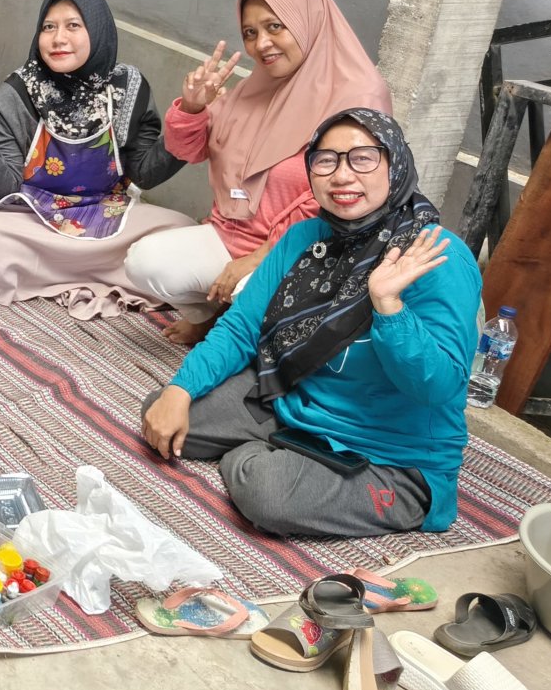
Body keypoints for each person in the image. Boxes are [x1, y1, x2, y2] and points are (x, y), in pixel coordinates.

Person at [140, 109, 478, 536]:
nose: (341, 175)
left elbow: (438, 387)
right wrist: (180, 388)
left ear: (395, 163)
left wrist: (389, 306)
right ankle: (286, 445)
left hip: (390, 454)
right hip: (293, 400)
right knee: (163, 413)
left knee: (266, 492)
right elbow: (243, 327)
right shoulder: (306, 238)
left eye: (362, 158)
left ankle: (272, 458)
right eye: (326, 160)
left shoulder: (436, 255)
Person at [126, 0, 393, 344]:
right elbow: (189, 149)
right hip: (232, 234)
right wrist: (192, 107)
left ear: (307, 21)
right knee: (145, 262)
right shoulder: (257, 88)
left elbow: (339, 201)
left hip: (309, 252)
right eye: (250, 33)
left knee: (254, 296)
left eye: (275, 27)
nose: (261, 44)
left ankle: (239, 335)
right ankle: (211, 315)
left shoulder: (359, 97)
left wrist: (256, 260)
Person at [0, 0, 193, 316]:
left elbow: (144, 174)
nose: (58, 38)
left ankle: (51, 269)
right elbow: (4, 189)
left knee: (183, 228)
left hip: (105, 214)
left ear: (99, 31)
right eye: (49, 27)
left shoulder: (127, 88)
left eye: (73, 25)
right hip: (29, 218)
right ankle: (98, 268)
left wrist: (190, 115)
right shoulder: (17, 93)